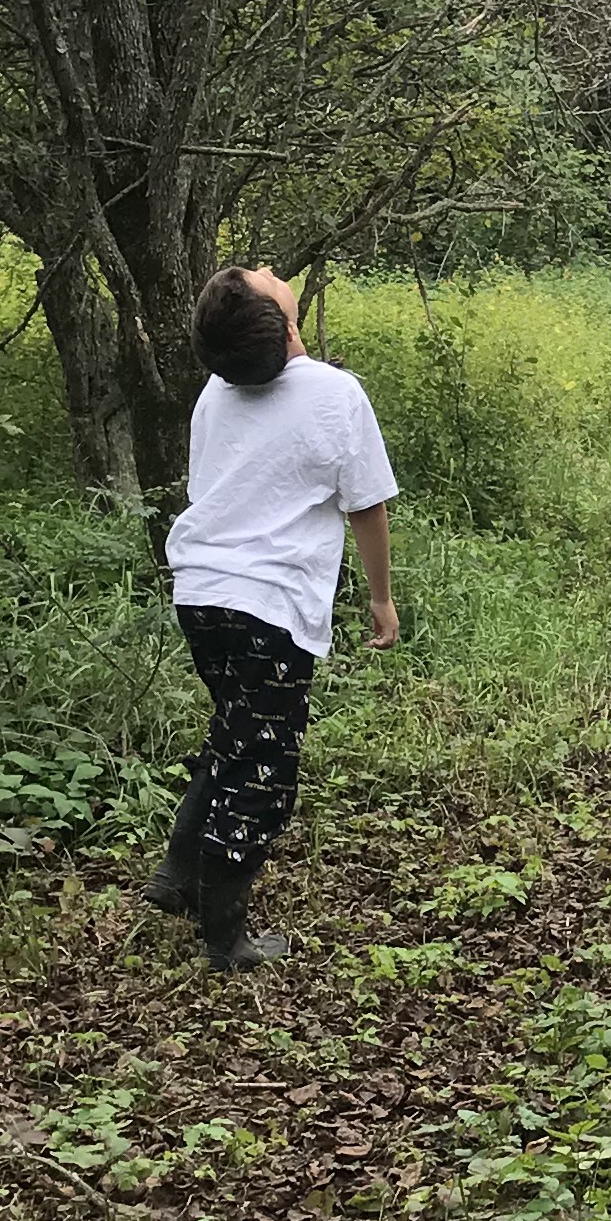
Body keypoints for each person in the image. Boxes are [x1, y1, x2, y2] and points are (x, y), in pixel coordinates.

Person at [148, 264, 400, 974]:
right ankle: (225, 934)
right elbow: (367, 505)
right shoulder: (335, 393)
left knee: (232, 728)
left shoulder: (214, 390)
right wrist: (380, 598)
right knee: (262, 769)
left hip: (200, 592)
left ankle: (177, 874)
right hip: (271, 609)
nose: (269, 271)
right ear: (286, 325)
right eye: (263, 279)